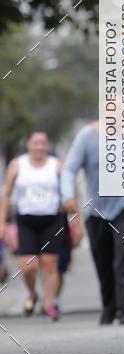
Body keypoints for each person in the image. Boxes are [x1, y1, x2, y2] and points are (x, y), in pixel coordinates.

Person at [61, 121, 124, 325]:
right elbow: (69, 170)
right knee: (103, 260)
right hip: (95, 210)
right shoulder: (86, 137)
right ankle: (109, 306)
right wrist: (67, 195)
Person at [0, 131, 82, 320]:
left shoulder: (56, 166)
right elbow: (6, 195)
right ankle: (33, 294)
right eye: (36, 143)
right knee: (28, 266)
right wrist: (2, 223)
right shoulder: (17, 165)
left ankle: (49, 303)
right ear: (28, 144)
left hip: (52, 219)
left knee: (49, 264)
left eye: (43, 143)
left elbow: (71, 194)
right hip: (26, 219)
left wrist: (77, 223)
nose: (39, 147)